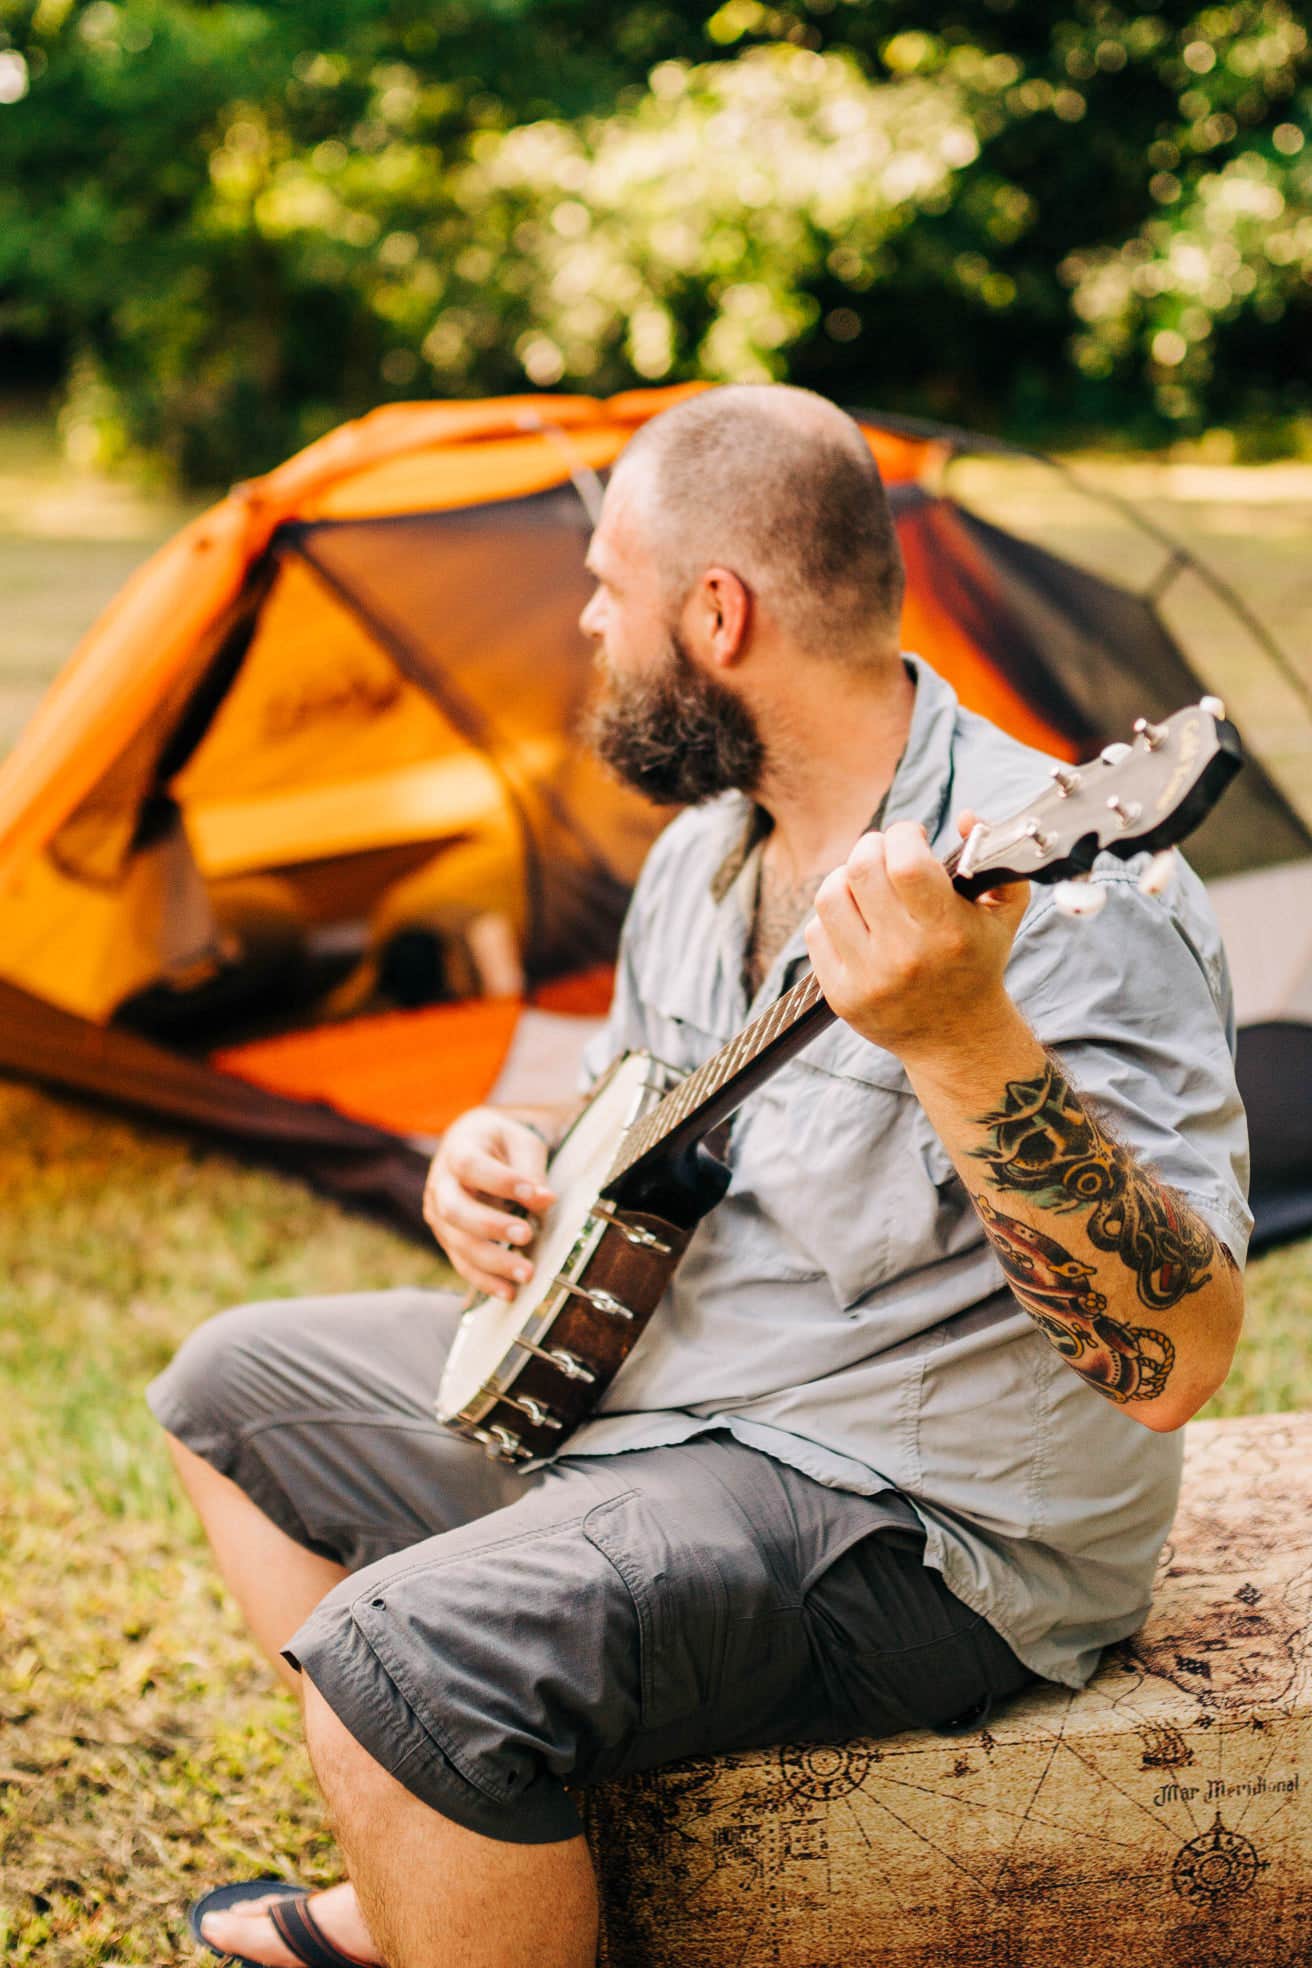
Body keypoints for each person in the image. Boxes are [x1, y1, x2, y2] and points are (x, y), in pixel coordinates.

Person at [149, 385, 1249, 1968]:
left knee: (402, 1656)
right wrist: (510, 1158)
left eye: (609, 585)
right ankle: (439, 1878)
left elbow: (1179, 1358)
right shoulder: (701, 854)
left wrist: (963, 1036)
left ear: (716, 613)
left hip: (908, 1512)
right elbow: (636, 1107)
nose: (590, 624)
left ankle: (435, 1834)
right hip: (664, 1384)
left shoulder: (1084, 893)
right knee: (228, 1388)